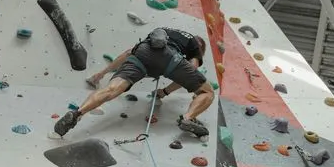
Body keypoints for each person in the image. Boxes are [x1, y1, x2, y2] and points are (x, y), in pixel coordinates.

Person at [53, 27, 214, 138]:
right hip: (170, 58)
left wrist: (101, 74)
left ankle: (78, 113)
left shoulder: (164, 31)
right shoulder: (194, 43)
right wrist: (165, 92)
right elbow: (190, 71)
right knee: (207, 92)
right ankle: (188, 118)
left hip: (143, 52)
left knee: (111, 89)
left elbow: (128, 52)